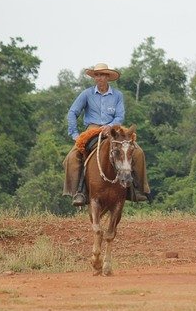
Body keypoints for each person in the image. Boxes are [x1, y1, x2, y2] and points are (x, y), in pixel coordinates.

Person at [63, 63, 150, 206]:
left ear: (108, 77)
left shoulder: (117, 95)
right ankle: (78, 192)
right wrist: (75, 134)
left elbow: (120, 116)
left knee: (138, 153)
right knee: (72, 158)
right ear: (94, 78)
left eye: (102, 75)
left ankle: (138, 189)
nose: (99, 78)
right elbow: (72, 112)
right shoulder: (86, 94)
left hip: (114, 130)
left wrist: (110, 127)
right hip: (92, 130)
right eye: (97, 75)